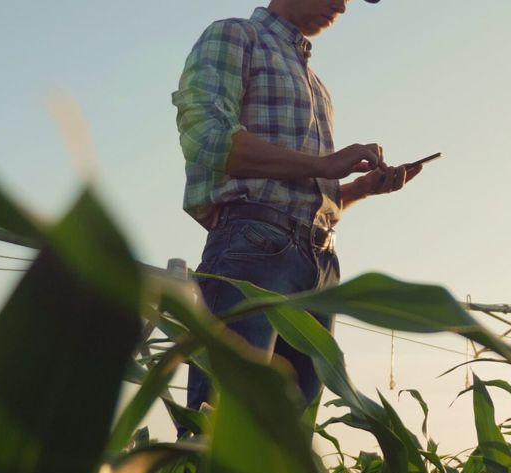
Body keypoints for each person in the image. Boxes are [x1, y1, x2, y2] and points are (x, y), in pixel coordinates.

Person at [174, 0, 421, 420]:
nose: (343, 5)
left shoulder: (317, 85)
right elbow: (207, 138)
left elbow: (299, 196)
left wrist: (359, 189)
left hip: (318, 265)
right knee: (221, 430)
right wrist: (323, 165)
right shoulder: (236, 36)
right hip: (253, 248)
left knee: (286, 450)